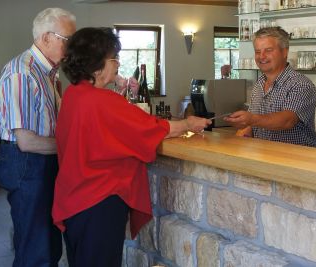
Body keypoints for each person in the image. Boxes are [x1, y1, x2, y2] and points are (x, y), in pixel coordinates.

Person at [51, 27, 211, 267]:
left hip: (74, 199)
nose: (117, 64)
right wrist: (189, 123)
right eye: (114, 58)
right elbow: (151, 129)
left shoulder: (73, 94)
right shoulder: (103, 100)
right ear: (97, 65)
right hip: (99, 201)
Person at [0, 8, 76, 267]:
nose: (71, 48)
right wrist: (75, 147)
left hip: (43, 161)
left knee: (48, 245)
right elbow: (26, 141)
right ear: (45, 38)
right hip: (27, 163)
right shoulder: (22, 72)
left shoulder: (49, 74)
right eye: (67, 41)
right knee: (36, 250)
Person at [224, 27, 316, 147]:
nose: (261, 56)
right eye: (257, 52)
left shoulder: (300, 84)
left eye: (268, 50)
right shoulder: (259, 84)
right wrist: (239, 136)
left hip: (298, 159)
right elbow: (252, 125)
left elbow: (287, 121)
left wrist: (251, 119)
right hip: (266, 156)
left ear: (284, 52)